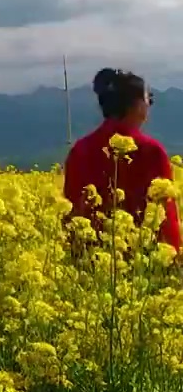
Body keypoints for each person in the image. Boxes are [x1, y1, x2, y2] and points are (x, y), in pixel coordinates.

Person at [63, 67, 180, 254]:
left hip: (89, 261)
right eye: (147, 97)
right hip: (145, 260)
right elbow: (166, 216)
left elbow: (71, 211)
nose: (149, 103)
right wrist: (174, 256)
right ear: (135, 105)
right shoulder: (151, 151)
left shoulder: (80, 150)